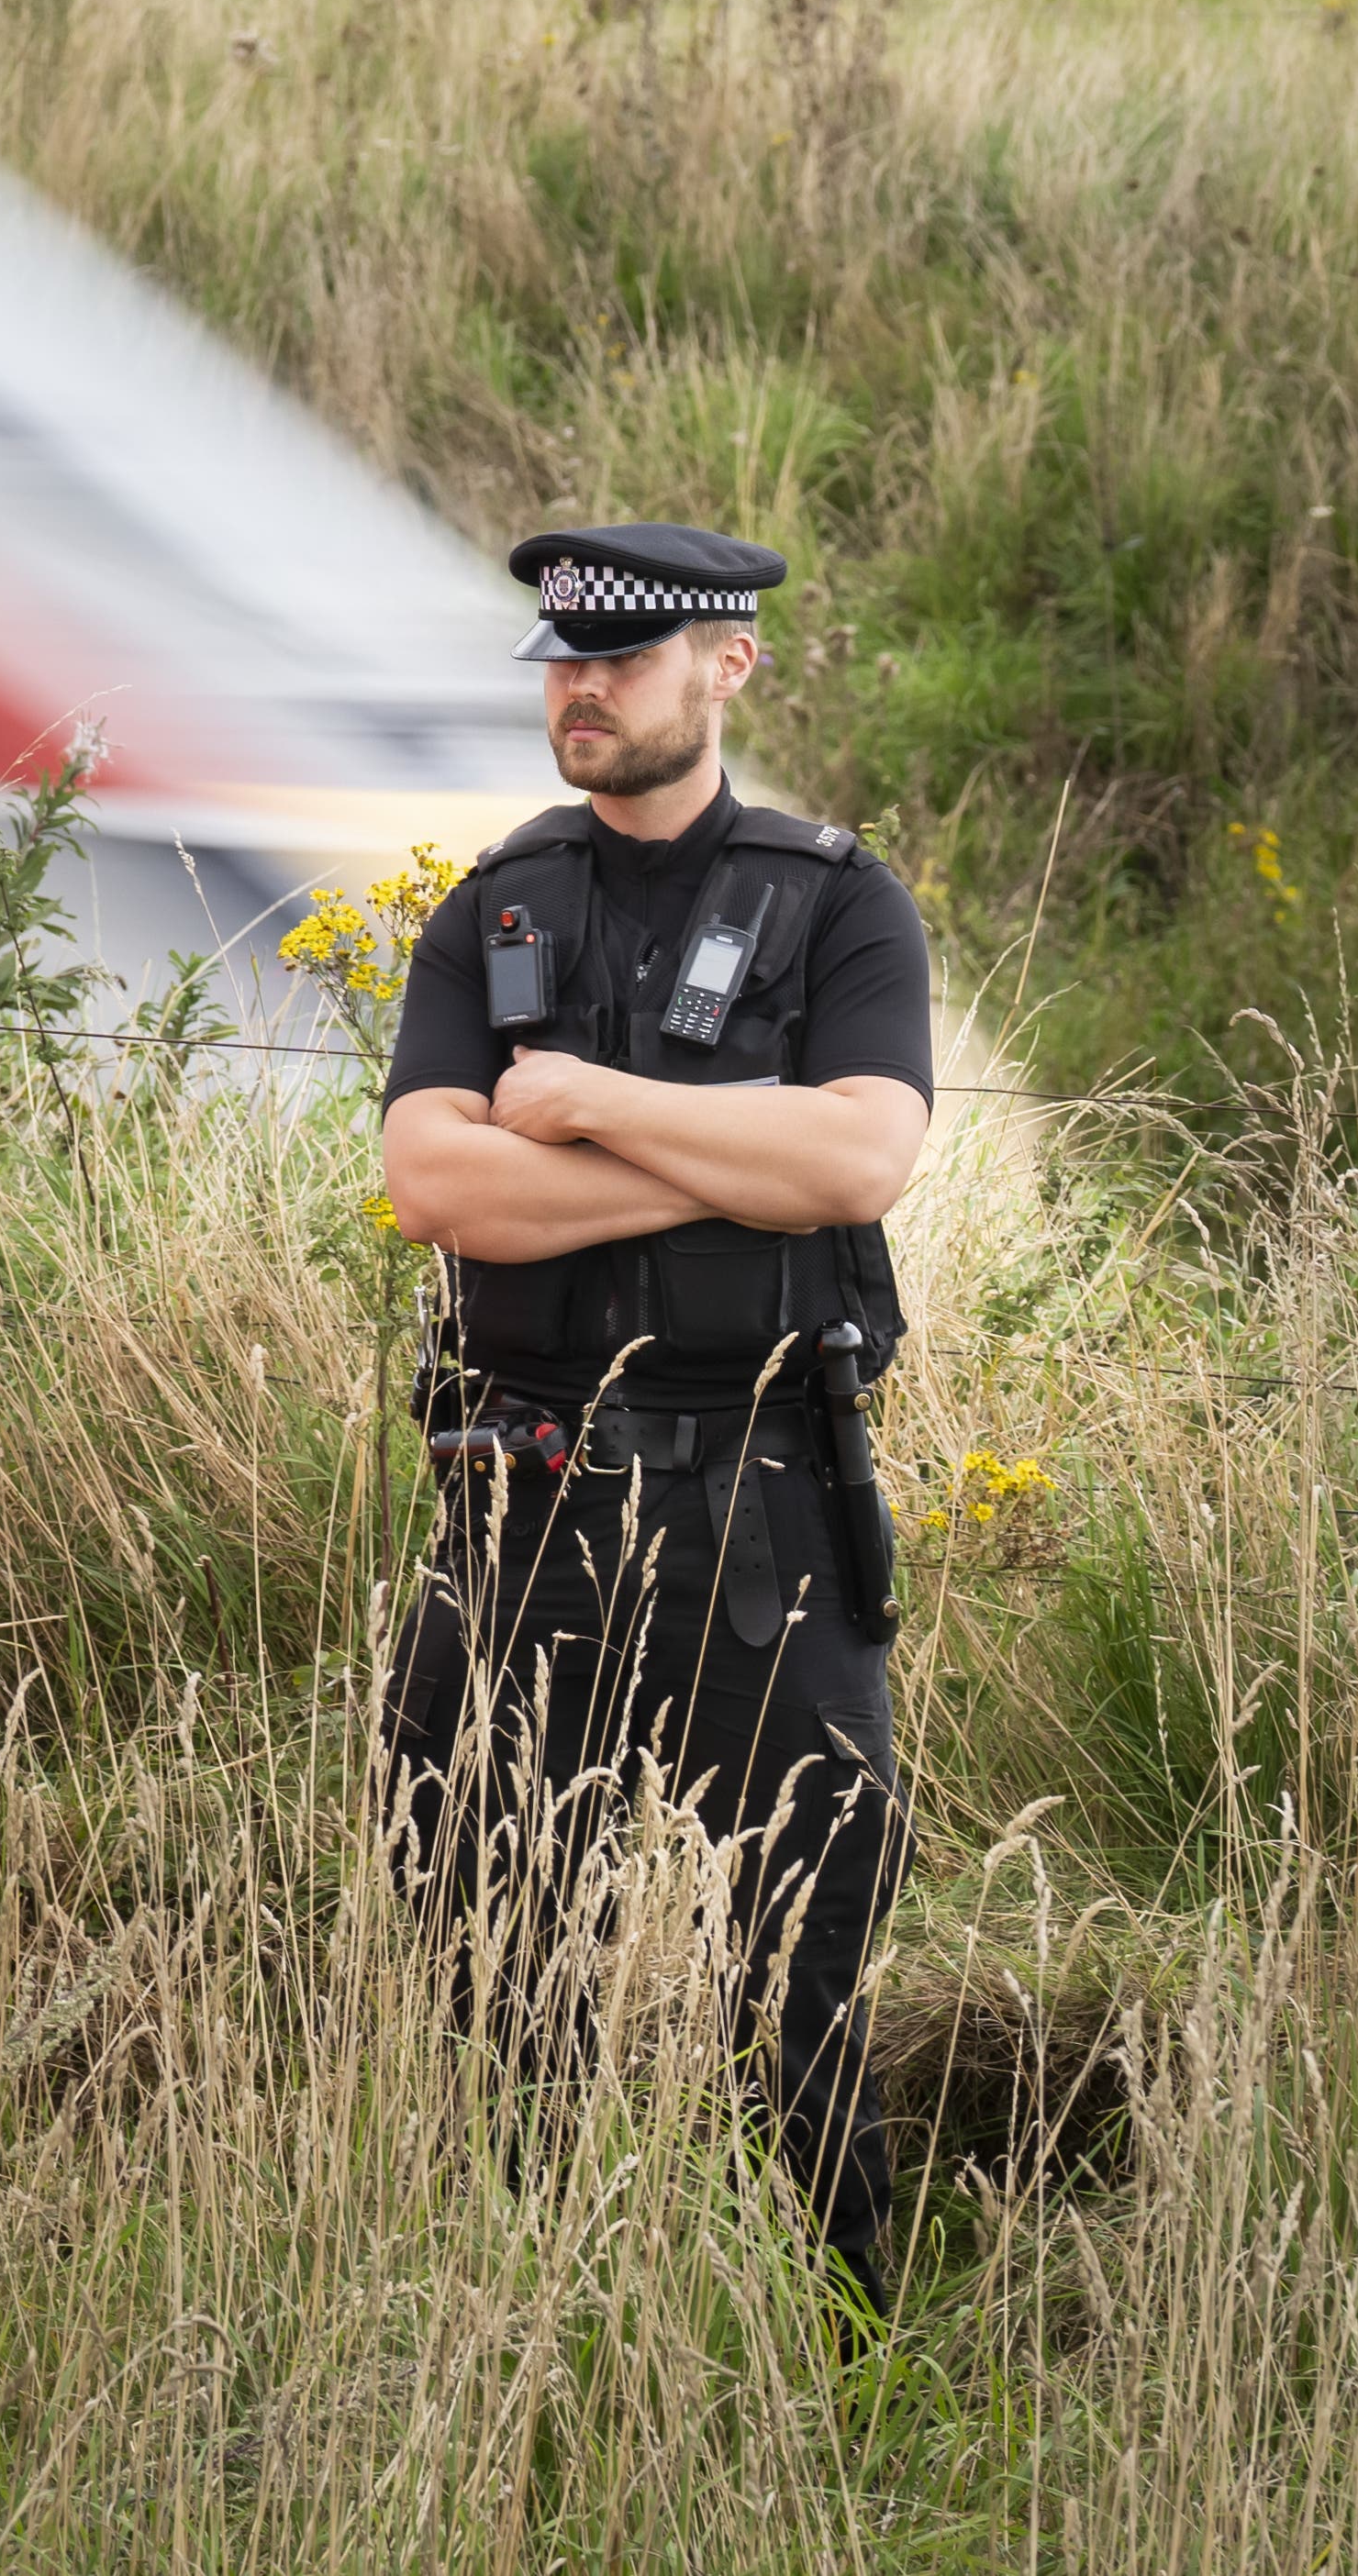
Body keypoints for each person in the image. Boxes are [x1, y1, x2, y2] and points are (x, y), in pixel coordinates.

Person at [373, 522, 938, 2308]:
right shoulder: (498, 906)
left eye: (624, 657)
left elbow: (861, 1153)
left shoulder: (836, 901)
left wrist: (593, 1108)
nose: (583, 687)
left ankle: (854, 2350)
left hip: (763, 1507)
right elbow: (436, 1186)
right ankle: (549, 2325)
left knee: (808, 1957)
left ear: (731, 667)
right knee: (487, 1928)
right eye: (563, 659)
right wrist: (723, 1172)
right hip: (523, 1501)